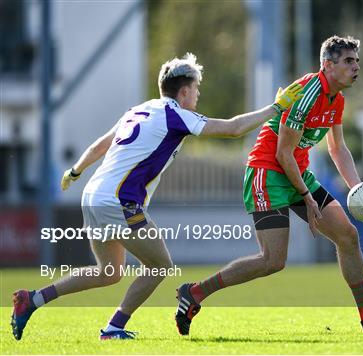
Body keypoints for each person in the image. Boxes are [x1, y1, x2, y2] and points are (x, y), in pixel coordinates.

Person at [11, 53, 304, 341]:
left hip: (92, 195)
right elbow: (233, 129)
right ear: (185, 91)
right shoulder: (175, 114)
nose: (198, 95)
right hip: (118, 200)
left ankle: (33, 299)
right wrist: (276, 107)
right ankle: (113, 328)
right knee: (160, 265)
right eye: (197, 90)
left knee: (109, 272)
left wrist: (75, 171)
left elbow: (101, 144)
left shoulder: (137, 110)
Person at [174, 36, 363, 335]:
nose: (356, 67)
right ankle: (195, 293)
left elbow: (337, 149)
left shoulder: (336, 99)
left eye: (357, 61)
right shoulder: (306, 93)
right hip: (268, 172)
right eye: (349, 61)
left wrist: (357, 188)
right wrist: (306, 196)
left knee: (348, 236)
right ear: (328, 65)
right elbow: (281, 153)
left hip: (296, 172)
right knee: (273, 261)